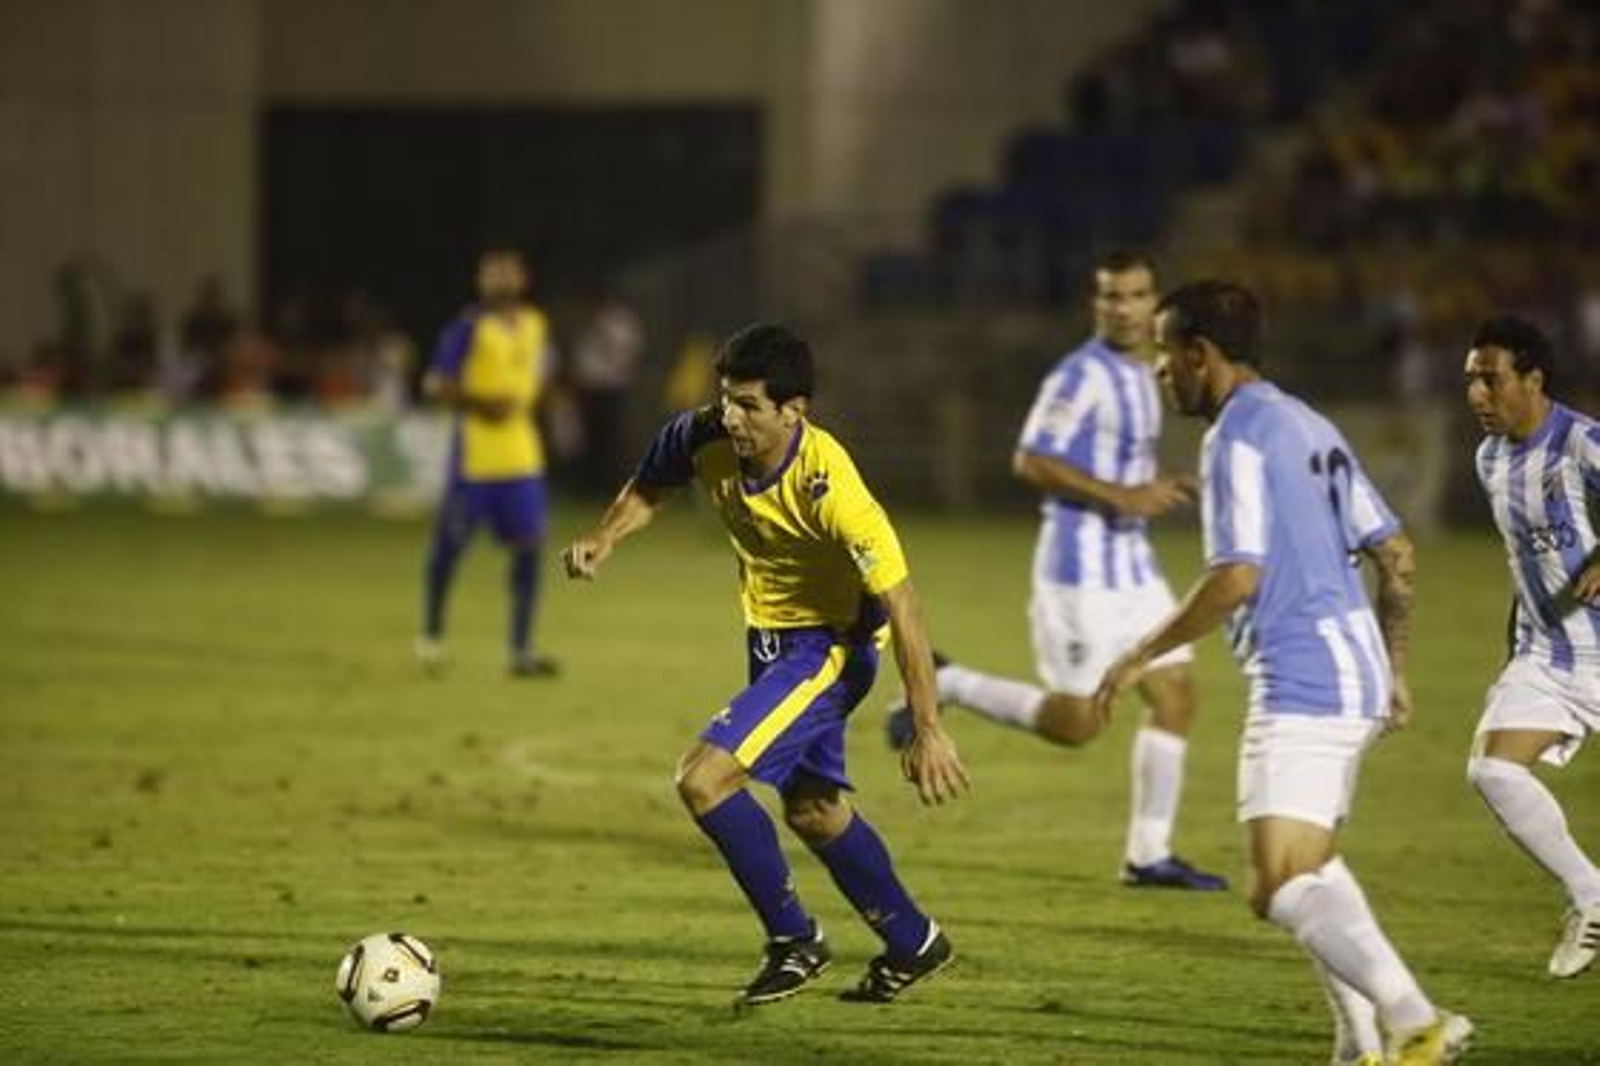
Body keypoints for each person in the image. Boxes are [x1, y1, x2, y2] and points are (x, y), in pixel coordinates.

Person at [1094, 281, 1472, 1065]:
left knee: (1277, 885)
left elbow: (1237, 575)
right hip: (1353, 668)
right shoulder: (1307, 421)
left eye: (1167, 356)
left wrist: (1139, 653)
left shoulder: (1235, 435)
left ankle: (1412, 1019)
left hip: (1303, 677)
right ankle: (1357, 1044)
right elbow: (1394, 554)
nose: (1161, 374)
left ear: (1199, 354)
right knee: (1315, 867)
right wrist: (1392, 669)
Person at [562, 322, 969, 1006]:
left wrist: (928, 725)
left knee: (703, 780)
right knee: (812, 811)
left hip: (830, 648)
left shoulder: (832, 488)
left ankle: (794, 939)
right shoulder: (704, 433)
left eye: (749, 404)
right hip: (770, 640)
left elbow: (904, 606)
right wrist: (606, 538)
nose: (732, 416)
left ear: (794, 410)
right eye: (727, 399)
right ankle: (914, 941)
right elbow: (651, 485)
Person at [886, 251, 1226, 890]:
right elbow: (1030, 460)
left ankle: (1148, 855)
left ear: (1155, 301)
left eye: (1134, 295)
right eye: (1109, 296)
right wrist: (1123, 497)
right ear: (1095, 304)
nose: (1122, 308)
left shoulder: (1148, 370)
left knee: (1177, 694)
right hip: (1079, 570)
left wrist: (1146, 486)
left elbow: (1110, 459)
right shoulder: (1081, 375)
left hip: (1131, 562)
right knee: (1080, 725)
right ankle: (949, 682)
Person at [1461, 314, 1600, 979]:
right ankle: (1593, 894)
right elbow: (1527, 566)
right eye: (1472, 381)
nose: (1478, 395)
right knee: (1491, 769)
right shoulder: (1489, 459)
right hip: (1547, 654)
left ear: (1533, 379)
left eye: (1491, 380)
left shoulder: (1579, 442)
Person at [415, 247, 559, 677]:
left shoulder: (536, 324)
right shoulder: (467, 327)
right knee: (449, 548)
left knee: (530, 548)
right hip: (475, 461)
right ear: (481, 281)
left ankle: (520, 649)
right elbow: (435, 385)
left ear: (522, 278)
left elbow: (537, 377)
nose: (500, 279)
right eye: (492, 273)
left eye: (507, 272)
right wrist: (480, 403)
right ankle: (432, 636)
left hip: (523, 459)